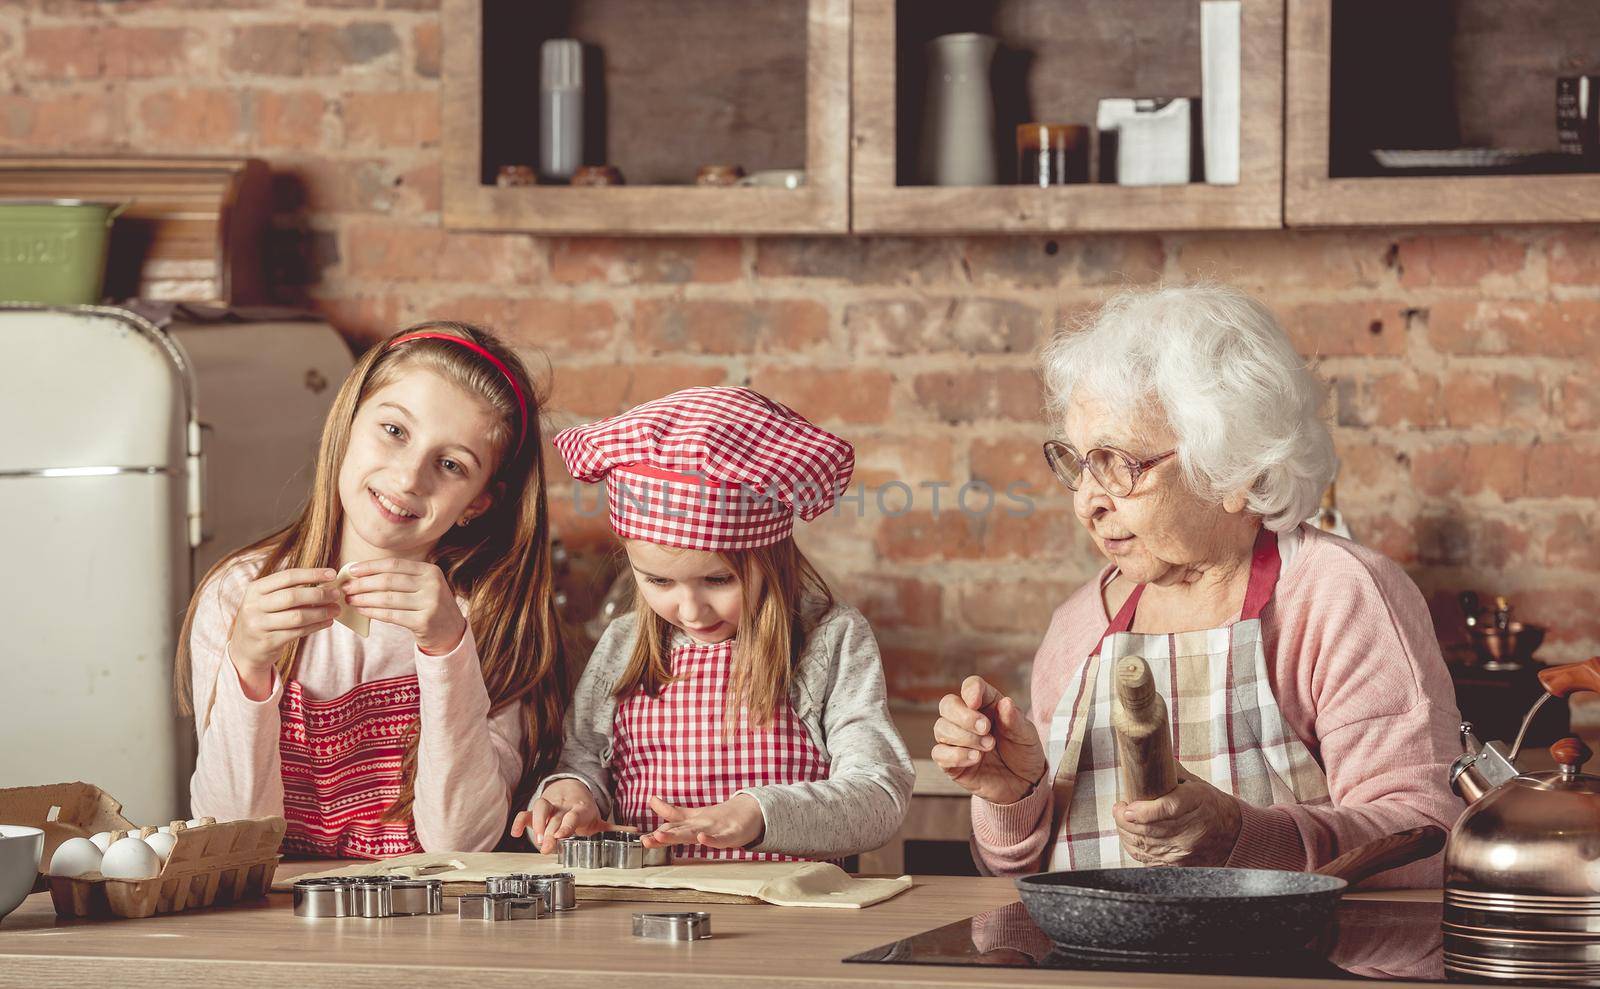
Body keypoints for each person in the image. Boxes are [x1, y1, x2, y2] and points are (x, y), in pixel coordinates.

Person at [933, 285, 1462, 884]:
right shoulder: (1079, 626)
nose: (1086, 503)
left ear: (1234, 469)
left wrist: (1243, 838)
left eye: (1118, 464)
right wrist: (1013, 799)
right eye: (1079, 463)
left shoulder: (1338, 597)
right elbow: (1023, 879)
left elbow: (1425, 840)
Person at [178, 322, 568, 856]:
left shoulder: (489, 619)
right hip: (272, 925)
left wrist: (447, 651)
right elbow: (231, 842)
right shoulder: (238, 595)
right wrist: (247, 666)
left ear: (478, 503)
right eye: (394, 431)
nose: (410, 478)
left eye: (451, 465)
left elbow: (461, 844)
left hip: (431, 925)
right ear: (348, 421)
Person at [513, 386, 912, 861]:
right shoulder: (625, 642)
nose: (690, 610)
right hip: (644, 909)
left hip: (793, 919)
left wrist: (759, 814)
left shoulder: (831, 638)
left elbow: (879, 796)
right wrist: (569, 795)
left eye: (719, 579)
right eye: (658, 581)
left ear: (773, 557)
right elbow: (583, 762)